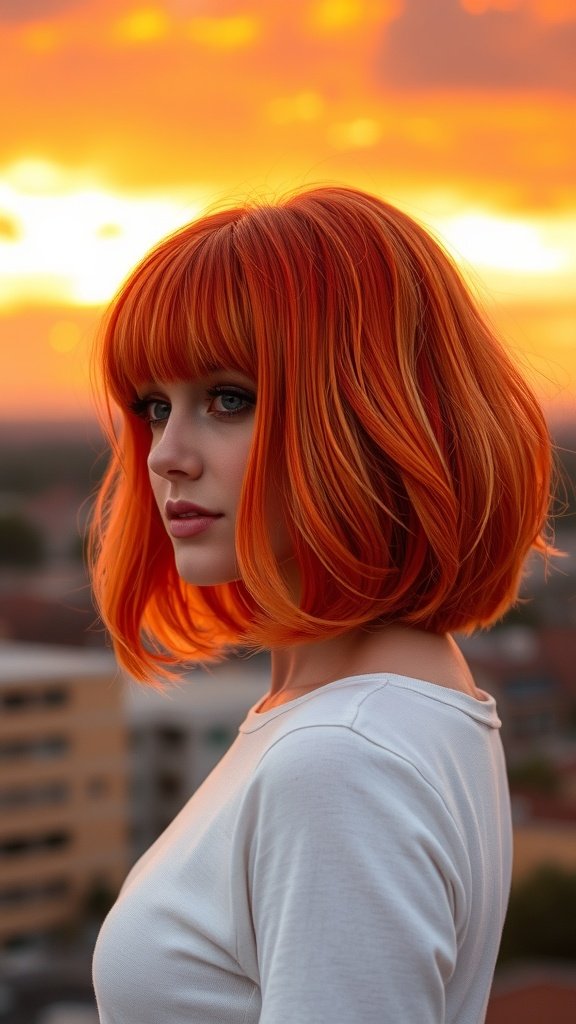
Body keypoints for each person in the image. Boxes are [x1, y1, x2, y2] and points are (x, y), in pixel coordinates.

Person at [90, 185, 553, 1024]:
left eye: (228, 398)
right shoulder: (381, 708)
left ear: (368, 414)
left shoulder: (343, 757)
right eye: (155, 406)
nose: (165, 454)